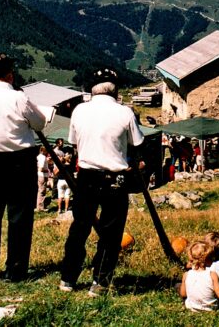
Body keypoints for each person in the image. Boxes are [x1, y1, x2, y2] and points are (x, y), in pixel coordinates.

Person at [59, 70, 144, 296]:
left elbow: (74, 141)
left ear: (92, 90)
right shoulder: (125, 112)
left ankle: (68, 278)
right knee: (111, 232)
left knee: (79, 227)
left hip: (86, 176)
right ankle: (100, 281)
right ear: (115, 90)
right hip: (114, 177)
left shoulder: (79, 110)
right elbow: (136, 143)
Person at [0, 54, 46, 283]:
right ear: (9, 75)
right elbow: (40, 123)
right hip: (19, 161)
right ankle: (15, 271)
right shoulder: (18, 98)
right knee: (20, 216)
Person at [180, 240, 219, 311]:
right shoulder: (212, 274)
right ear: (206, 260)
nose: (213, 260)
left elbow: (183, 294)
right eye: (211, 257)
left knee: (177, 285)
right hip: (210, 308)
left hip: (192, 307)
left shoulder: (186, 274)